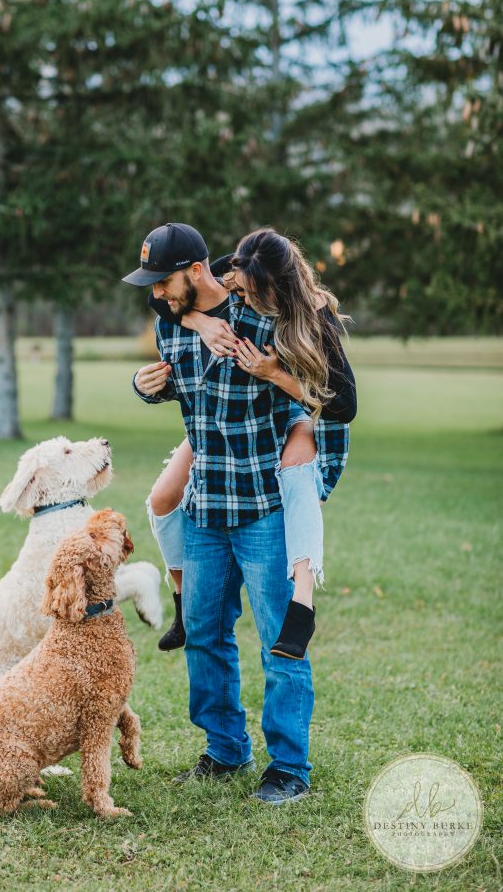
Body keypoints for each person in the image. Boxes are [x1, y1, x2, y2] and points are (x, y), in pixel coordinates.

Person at [123, 222, 348, 804]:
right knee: (203, 635)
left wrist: (280, 381)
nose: (156, 294)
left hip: (263, 509)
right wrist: (145, 386)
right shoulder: (171, 324)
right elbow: (182, 388)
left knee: (280, 641)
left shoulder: (265, 316)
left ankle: (289, 767)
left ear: (197, 271)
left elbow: (327, 398)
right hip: (204, 507)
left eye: (163, 281)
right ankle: (225, 750)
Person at [146, 229, 356, 661]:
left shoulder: (312, 312)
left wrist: (274, 374)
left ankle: (303, 602)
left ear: (278, 290)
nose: (242, 301)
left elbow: (343, 406)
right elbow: (164, 298)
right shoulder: (236, 266)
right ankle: (183, 604)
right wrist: (201, 321)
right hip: (226, 425)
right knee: (163, 496)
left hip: (302, 407)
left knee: (297, 472)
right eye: (240, 290)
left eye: (250, 295)